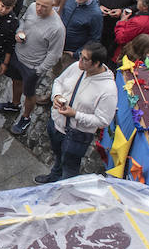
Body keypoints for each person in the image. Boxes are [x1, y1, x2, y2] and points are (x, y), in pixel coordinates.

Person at [35, 42, 116, 184]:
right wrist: (56, 96)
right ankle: (54, 176)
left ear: (96, 63)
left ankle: (63, 192)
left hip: (77, 135)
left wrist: (75, 114)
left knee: (70, 168)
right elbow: (59, 81)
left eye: (85, 59)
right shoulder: (77, 67)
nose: (80, 60)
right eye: (81, 56)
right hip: (56, 124)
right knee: (58, 156)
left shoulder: (108, 90)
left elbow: (103, 120)